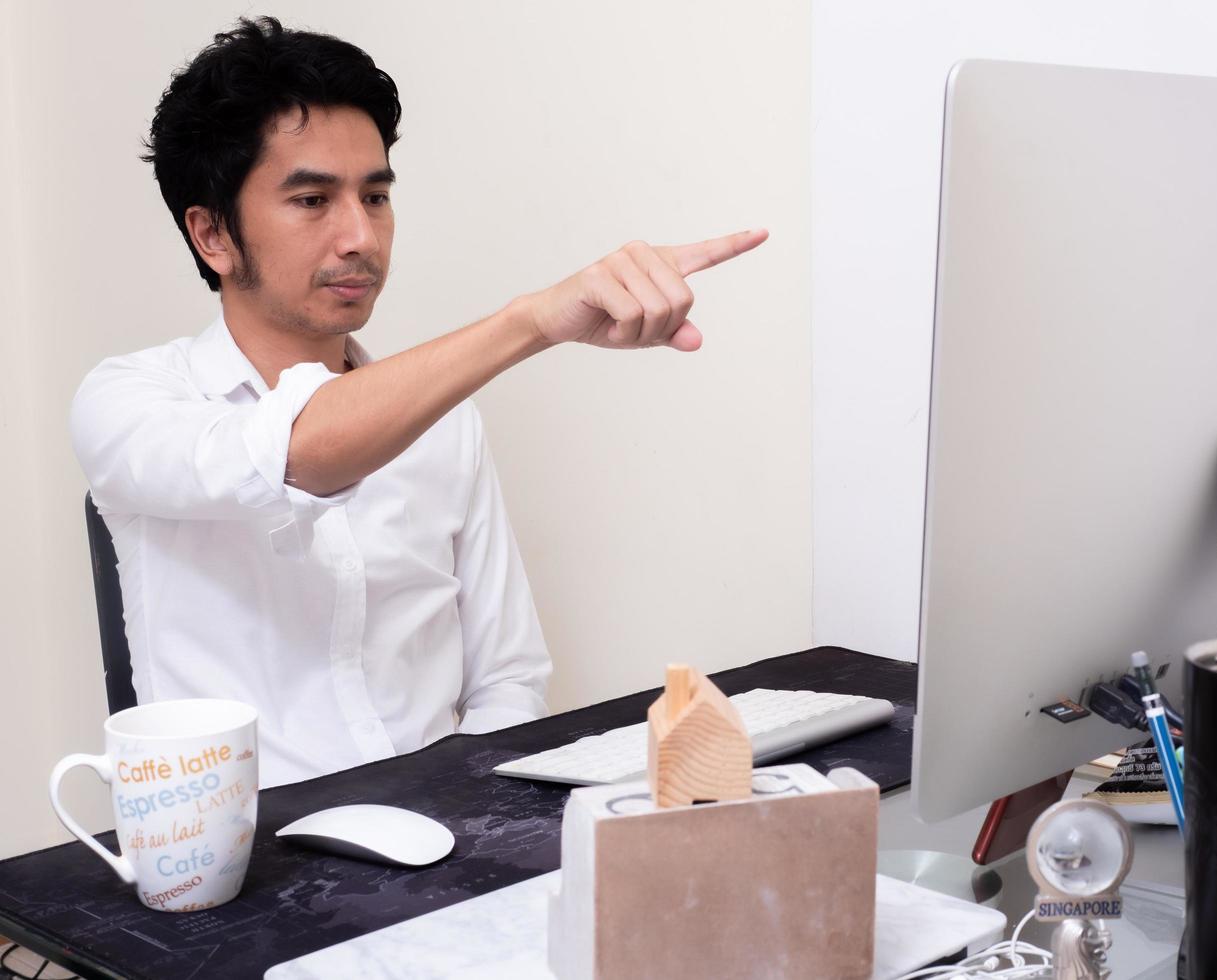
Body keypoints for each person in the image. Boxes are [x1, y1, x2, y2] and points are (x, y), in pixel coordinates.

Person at [69, 16, 767, 787]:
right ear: (212, 235)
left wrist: (475, 831)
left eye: (375, 196)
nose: (359, 237)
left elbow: (508, 680)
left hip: (447, 841)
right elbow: (298, 453)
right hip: (244, 864)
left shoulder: (445, 423)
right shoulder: (129, 401)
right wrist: (533, 320)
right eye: (311, 200)